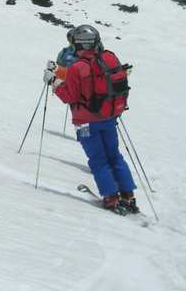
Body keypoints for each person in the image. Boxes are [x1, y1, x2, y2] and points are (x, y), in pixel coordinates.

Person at [47, 25, 137, 214]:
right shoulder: (109, 59)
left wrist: (53, 83)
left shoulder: (77, 67)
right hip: (110, 116)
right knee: (114, 156)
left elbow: (69, 96)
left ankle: (111, 197)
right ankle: (128, 195)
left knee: (98, 159)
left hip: (87, 121)